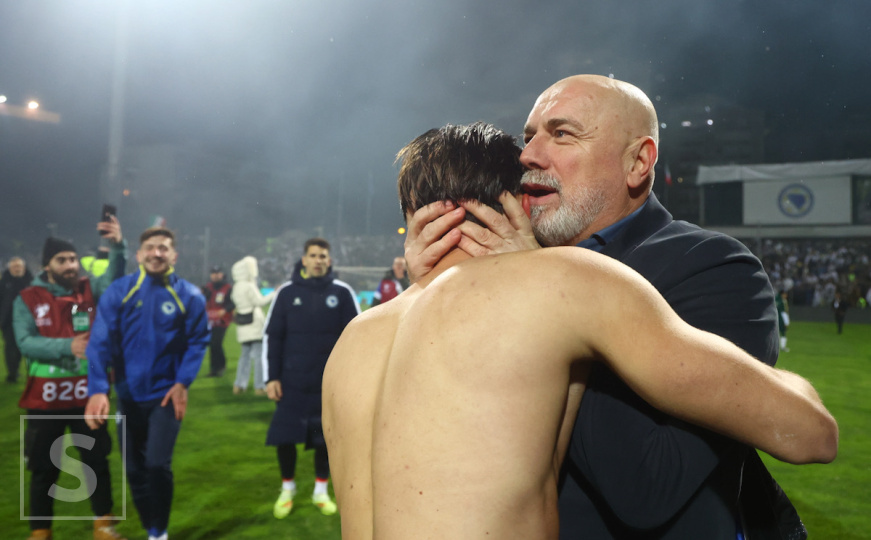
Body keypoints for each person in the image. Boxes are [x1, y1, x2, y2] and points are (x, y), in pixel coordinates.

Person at [322, 122, 838, 540]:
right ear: (521, 202)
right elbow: (811, 434)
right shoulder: (563, 281)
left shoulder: (356, 338)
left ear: (414, 217)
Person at [403, 75, 793, 539]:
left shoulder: (715, 270)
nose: (528, 154)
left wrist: (539, 287)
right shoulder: (504, 263)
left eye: (562, 133)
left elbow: (649, 484)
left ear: (638, 162)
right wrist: (432, 293)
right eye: (530, 136)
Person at [84, 226, 210, 540]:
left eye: (163, 248)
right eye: (151, 247)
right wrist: (98, 389)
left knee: (156, 464)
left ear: (174, 255)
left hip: (165, 397)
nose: (157, 253)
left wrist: (183, 382)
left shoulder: (189, 295)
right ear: (139, 254)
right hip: (127, 396)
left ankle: (159, 533)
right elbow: (98, 343)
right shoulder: (120, 291)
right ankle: (151, 527)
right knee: (133, 469)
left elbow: (198, 341)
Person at [12, 218, 127, 540]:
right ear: (46, 265)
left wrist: (118, 245)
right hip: (44, 399)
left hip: (88, 396)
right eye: (62, 260)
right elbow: (25, 342)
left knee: (96, 461)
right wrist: (68, 346)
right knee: (43, 468)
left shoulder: (90, 288)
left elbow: (115, 277)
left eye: (73, 259)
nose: (70, 265)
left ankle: (104, 526)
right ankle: (41, 531)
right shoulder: (28, 298)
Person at [263, 238, 360, 519]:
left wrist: (350, 379)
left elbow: (355, 338)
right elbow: (274, 337)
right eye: (313, 255)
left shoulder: (342, 293)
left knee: (325, 440)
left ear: (329, 260)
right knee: (285, 438)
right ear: (304, 260)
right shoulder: (286, 293)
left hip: (327, 385)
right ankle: (287, 488)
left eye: (323, 256)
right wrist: (271, 378)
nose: (318, 260)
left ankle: (320, 491)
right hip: (291, 382)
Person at [230, 256, 275, 395]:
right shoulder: (249, 286)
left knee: (244, 356)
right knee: (259, 356)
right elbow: (260, 302)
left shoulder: (236, 286)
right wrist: (275, 293)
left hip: (242, 324)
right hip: (254, 324)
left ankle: (239, 384)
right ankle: (259, 386)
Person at [1, 256, 33, 383]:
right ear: (9, 269)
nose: (17, 269)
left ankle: (33, 374)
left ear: (24, 268)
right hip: (9, 322)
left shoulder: (31, 282)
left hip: (28, 321)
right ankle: (12, 374)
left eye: (19, 266)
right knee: (11, 348)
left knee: (30, 348)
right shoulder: (4, 283)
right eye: (14, 267)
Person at [202, 265, 233, 377]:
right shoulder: (208, 287)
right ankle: (215, 368)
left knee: (216, 343)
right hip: (210, 320)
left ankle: (219, 367)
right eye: (213, 273)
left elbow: (233, 303)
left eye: (218, 273)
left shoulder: (228, 288)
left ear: (222, 274)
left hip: (222, 320)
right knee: (212, 344)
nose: (215, 275)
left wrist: (225, 310)